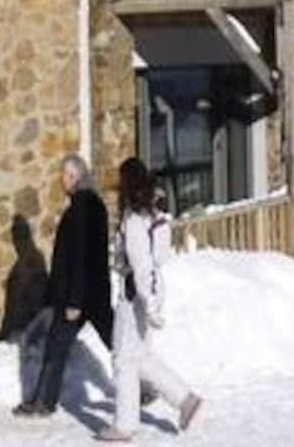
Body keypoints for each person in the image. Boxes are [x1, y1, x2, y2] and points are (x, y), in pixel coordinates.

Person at [98, 158, 202, 443]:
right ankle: (185, 400)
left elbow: (142, 265)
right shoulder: (153, 213)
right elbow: (159, 257)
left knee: (123, 357)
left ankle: (125, 425)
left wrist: (150, 302)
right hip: (147, 292)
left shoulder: (134, 220)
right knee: (139, 357)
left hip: (135, 296)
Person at [18, 154, 113, 417]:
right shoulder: (94, 204)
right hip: (95, 293)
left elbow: (80, 256)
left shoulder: (81, 207)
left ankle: (43, 403)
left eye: (65, 175)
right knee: (116, 341)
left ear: (75, 177)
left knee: (56, 347)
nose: (62, 180)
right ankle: (145, 386)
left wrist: (74, 301)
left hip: (78, 295)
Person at [0, 216, 51, 409]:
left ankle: (32, 400)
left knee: (31, 360)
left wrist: (6, 331)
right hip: (41, 316)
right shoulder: (37, 257)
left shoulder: (23, 267)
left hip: (31, 322)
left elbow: (16, 305)